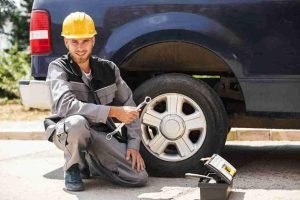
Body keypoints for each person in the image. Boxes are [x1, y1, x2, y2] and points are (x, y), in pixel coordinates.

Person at [44, 12, 148, 191]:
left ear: (93, 40)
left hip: (100, 133)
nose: (80, 47)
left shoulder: (109, 69)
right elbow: (66, 107)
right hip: (69, 131)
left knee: (138, 177)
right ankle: (73, 167)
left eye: (85, 41)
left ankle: (91, 161)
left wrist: (133, 144)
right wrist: (113, 112)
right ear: (66, 42)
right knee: (77, 122)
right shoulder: (57, 68)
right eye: (74, 41)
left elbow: (129, 106)